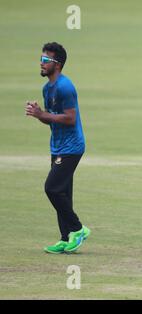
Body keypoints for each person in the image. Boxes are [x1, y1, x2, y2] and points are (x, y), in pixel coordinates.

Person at [25, 42, 90, 254]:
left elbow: (70, 119)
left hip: (72, 147)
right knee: (63, 192)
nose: (41, 63)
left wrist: (43, 114)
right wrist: (39, 113)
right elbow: (52, 119)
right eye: (41, 59)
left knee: (52, 188)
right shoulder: (47, 88)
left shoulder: (65, 87)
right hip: (57, 146)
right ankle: (66, 238)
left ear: (58, 64)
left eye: (46, 60)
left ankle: (78, 229)